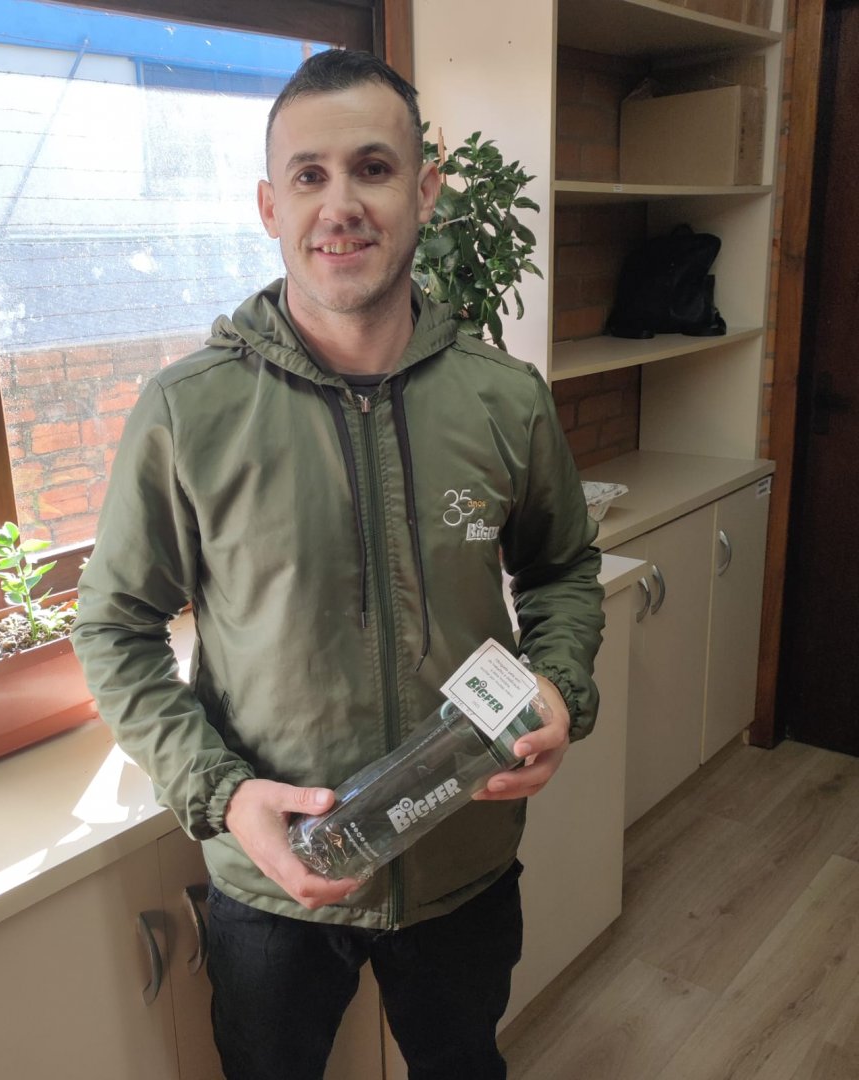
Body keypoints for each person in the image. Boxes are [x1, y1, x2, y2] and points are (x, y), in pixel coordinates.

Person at [73, 48, 604, 1080]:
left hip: (462, 861)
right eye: (309, 176)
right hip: (272, 880)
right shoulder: (190, 413)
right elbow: (112, 628)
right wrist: (224, 795)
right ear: (270, 207)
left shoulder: (505, 398)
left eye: (373, 167)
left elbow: (564, 567)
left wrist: (558, 684)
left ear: (425, 191)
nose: (341, 204)